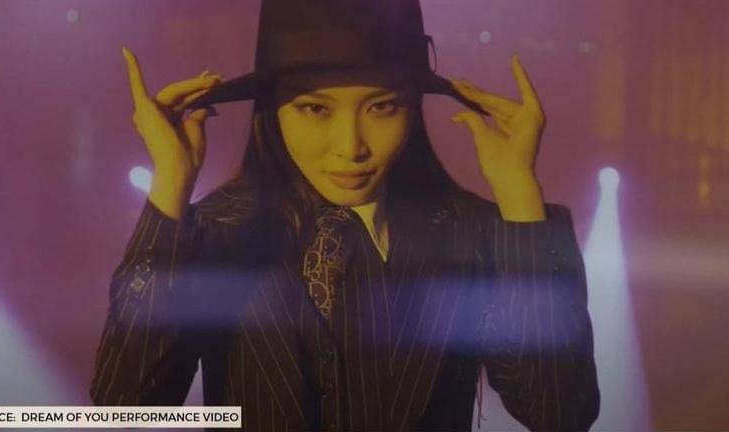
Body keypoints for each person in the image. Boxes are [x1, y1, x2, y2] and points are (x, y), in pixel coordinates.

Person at [90, 0, 600, 431]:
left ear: (413, 108)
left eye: (382, 107)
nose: (351, 147)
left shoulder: (471, 233)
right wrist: (171, 183)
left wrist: (519, 194)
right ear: (273, 111)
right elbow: (125, 410)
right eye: (316, 109)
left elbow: (559, 412)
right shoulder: (212, 234)